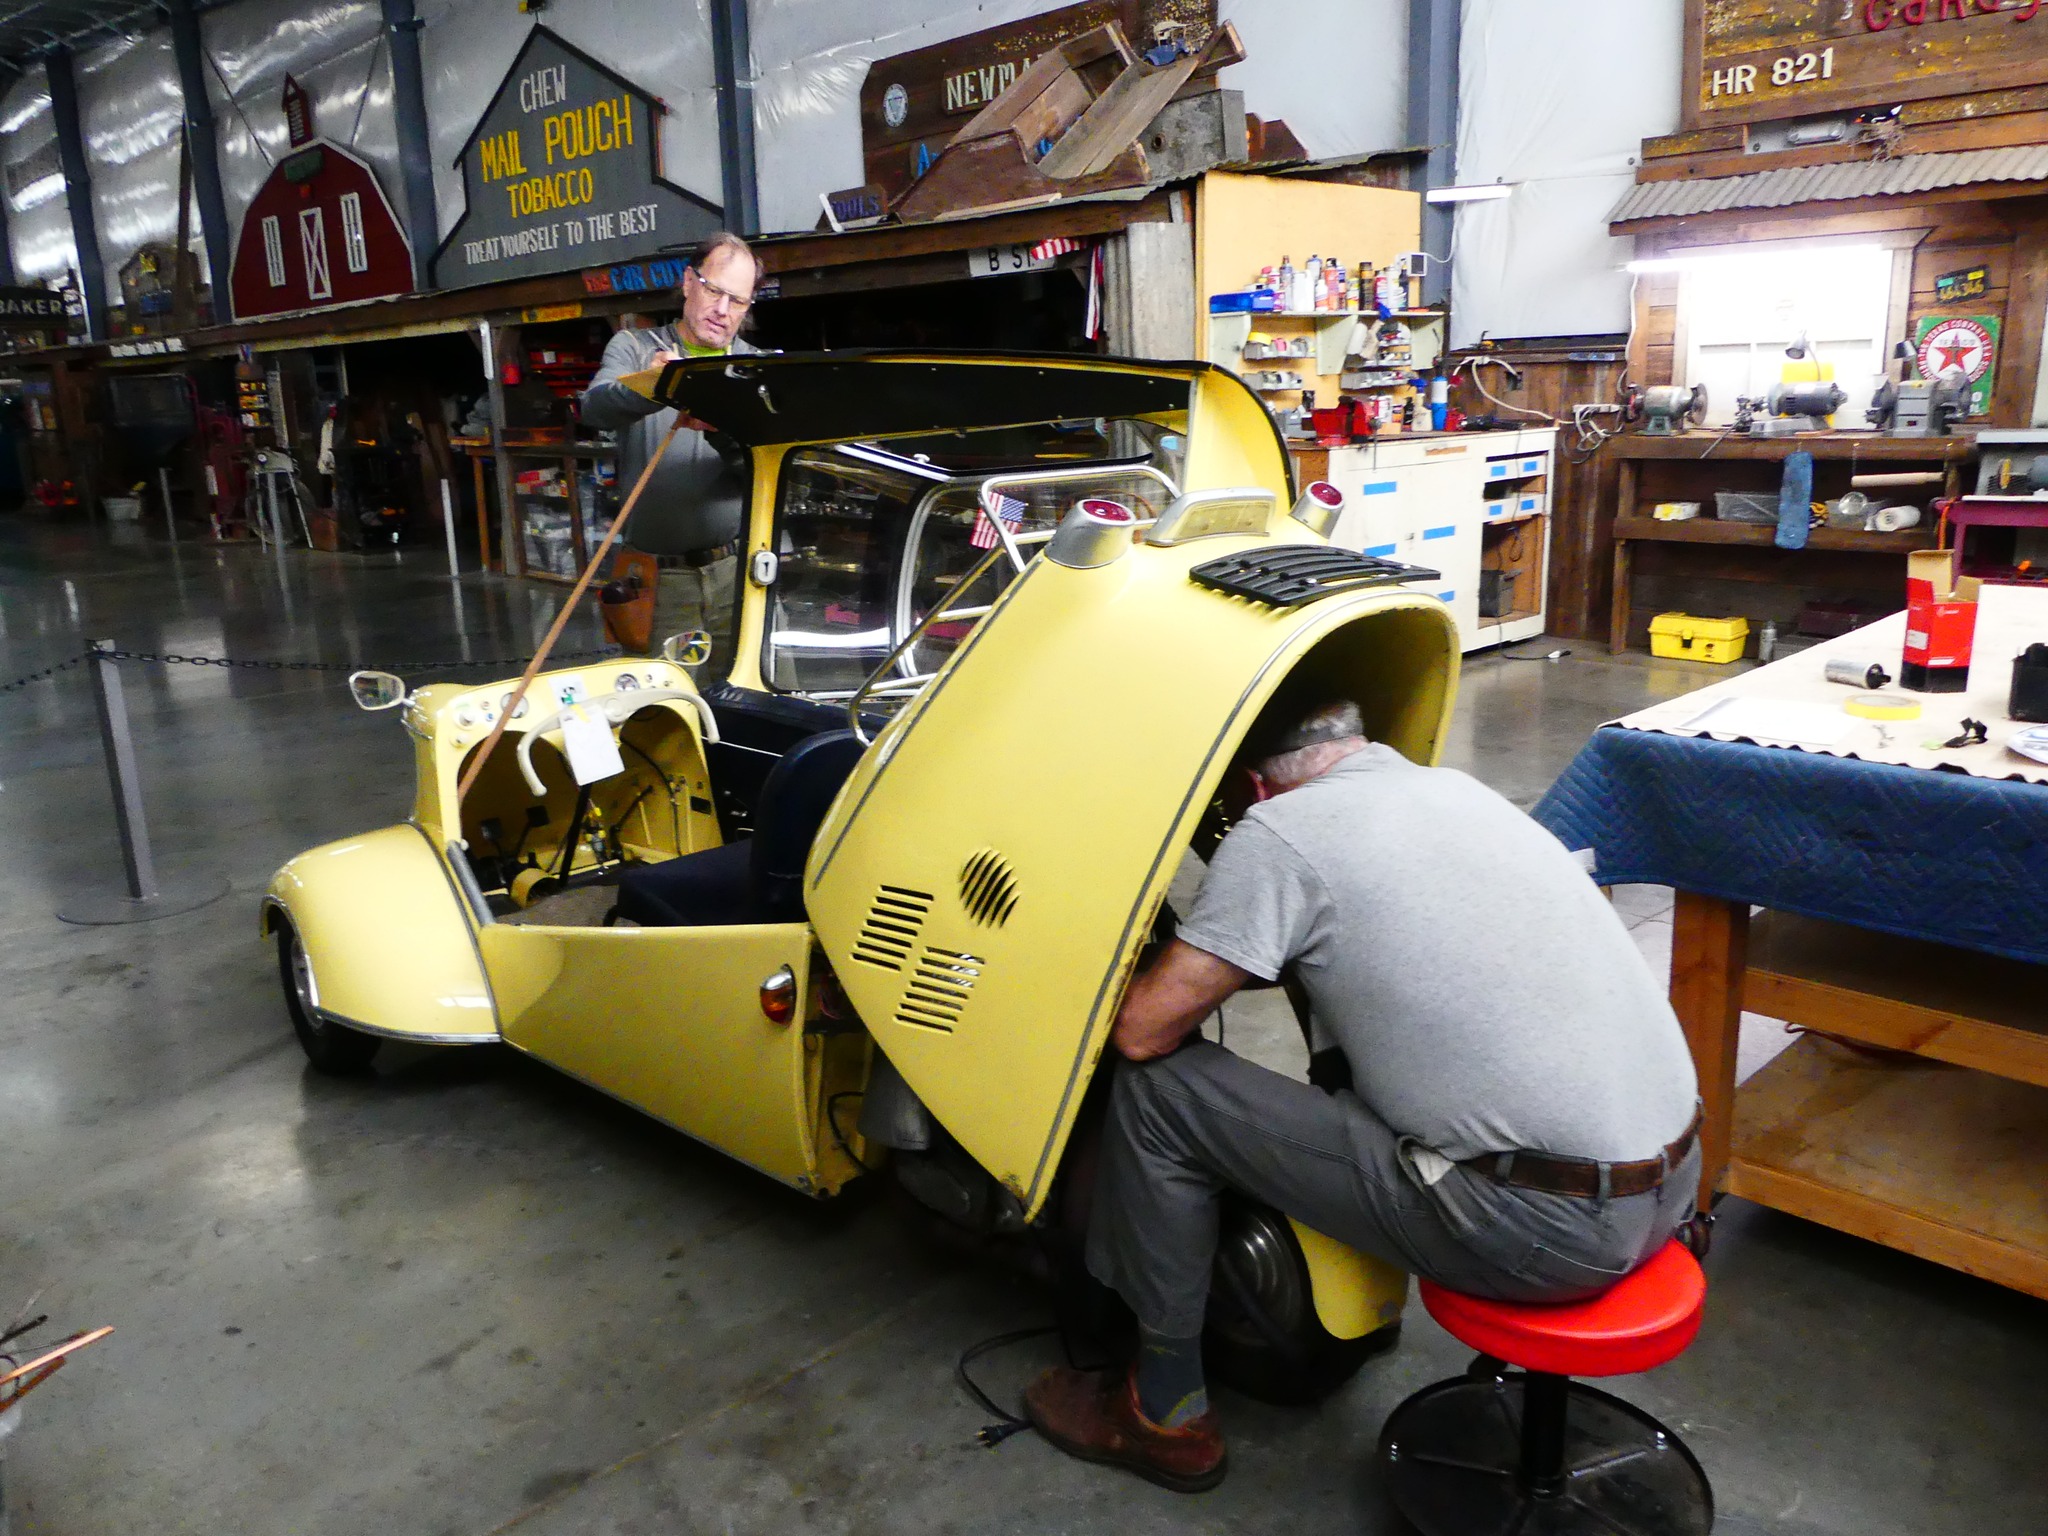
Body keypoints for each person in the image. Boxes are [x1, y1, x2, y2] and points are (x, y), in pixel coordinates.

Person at [1024, 696, 1702, 1494]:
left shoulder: (1279, 833)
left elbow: (1142, 1029)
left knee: (1159, 1089)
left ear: (1254, 783)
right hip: (1677, 1182)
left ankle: (1161, 1409)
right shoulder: (1462, 794)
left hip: (1547, 1230)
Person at [581, 231, 761, 650]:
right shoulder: (634, 348)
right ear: (687, 283)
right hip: (659, 581)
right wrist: (653, 385)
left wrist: (722, 427)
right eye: (713, 290)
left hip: (739, 573)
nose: (722, 310)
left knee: (743, 702)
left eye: (737, 300)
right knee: (666, 705)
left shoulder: (757, 369)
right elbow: (595, 408)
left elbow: (761, 471)